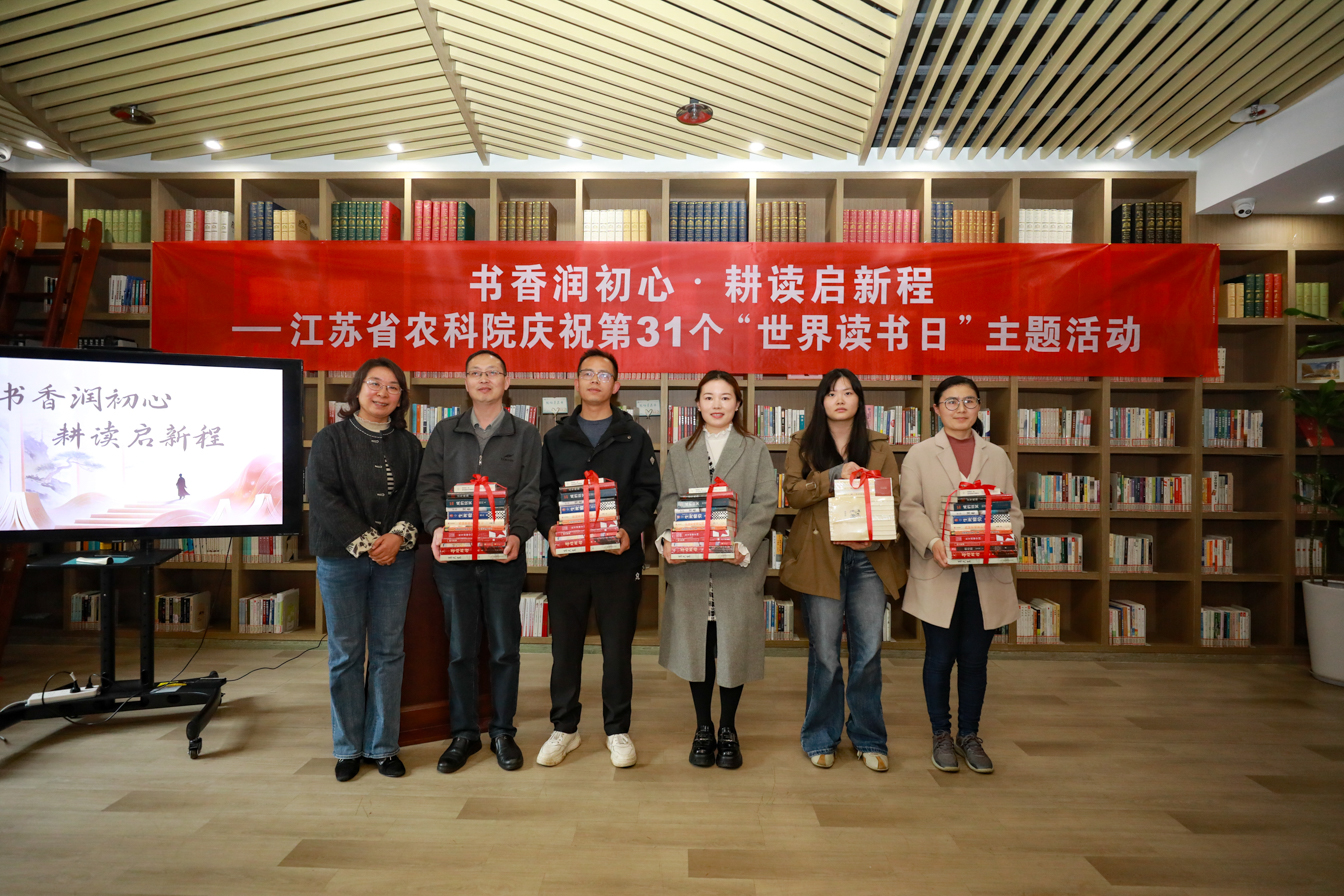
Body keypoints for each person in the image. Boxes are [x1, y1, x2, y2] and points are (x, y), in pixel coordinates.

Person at [416, 349, 541, 774]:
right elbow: (428, 486)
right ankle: (464, 734)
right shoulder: (445, 432)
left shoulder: (525, 434)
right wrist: (436, 527)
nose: (484, 379)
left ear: (507, 381)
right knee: (460, 650)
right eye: (475, 372)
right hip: (453, 559)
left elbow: (530, 493)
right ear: (465, 382)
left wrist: (518, 534)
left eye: (492, 372)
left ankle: (503, 731)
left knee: (505, 649)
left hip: (503, 557)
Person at [535, 348, 660, 768]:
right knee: (564, 650)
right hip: (568, 561)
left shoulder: (634, 436)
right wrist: (550, 529)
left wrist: (629, 531)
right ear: (576, 382)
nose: (594, 380)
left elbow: (648, 493)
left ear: (616, 385)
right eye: (587, 373)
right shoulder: (555, 438)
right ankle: (564, 728)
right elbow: (543, 493)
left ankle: (617, 730)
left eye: (603, 375)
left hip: (617, 561)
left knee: (617, 650)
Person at [780, 368, 906, 771]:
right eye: (832, 393)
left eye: (848, 393)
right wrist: (835, 475)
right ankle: (820, 736)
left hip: (869, 559)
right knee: (826, 654)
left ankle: (869, 738)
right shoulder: (802, 443)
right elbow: (794, 494)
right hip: (821, 558)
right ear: (821, 401)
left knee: (868, 653)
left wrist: (875, 539)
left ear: (859, 400)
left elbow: (895, 501)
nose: (840, 399)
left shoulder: (879, 445)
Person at [899, 375, 1023, 774]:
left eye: (969, 401)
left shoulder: (997, 455)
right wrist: (933, 541)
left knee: (975, 660)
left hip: (986, 573)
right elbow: (909, 509)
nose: (960, 409)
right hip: (940, 569)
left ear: (979, 408)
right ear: (936, 409)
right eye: (951, 402)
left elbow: (1013, 512)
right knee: (939, 658)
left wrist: (995, 538)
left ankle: (969, 734)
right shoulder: (920, 454)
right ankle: (941, 734)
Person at [308, 357, 423, 782]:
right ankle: (347, 748)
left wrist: (397, 537)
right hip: (341, 558)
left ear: (401, 398)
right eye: (374, 384)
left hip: (396, 558)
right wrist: (368, 541)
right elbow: (322, 496)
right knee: (346, 653)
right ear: (357, 390)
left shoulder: (410, 445)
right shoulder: (330, 439)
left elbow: (420, 496)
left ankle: (382, 746)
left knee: (389, 651)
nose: (382, 393)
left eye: (392, 387)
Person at [655, 371, 777, 769]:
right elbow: (667, 502)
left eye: (726, 397)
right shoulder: (679, 451)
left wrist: (740, 544)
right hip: (691, 569)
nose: (717, 404)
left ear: (738, 404)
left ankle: (728, 727)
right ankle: (702, 726)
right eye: (709, 397)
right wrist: (667, 539)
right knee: (698, 646)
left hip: (735, 566)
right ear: (697, 404)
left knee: (732, 647)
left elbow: (765, 503)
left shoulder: (755, 448)